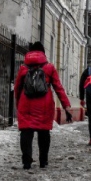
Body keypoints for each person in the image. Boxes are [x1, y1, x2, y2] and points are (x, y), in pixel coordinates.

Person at [14, 41, 73, 170]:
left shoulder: (23, 68)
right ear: (43, 53)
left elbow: (18, 87)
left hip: (26, 103)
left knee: (26, 132)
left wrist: (18, 103)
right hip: (44, 104)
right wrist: (66, 106)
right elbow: (59, 88)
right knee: (44, 132)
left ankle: (26, 161)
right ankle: (43, 160)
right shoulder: (49, 68)